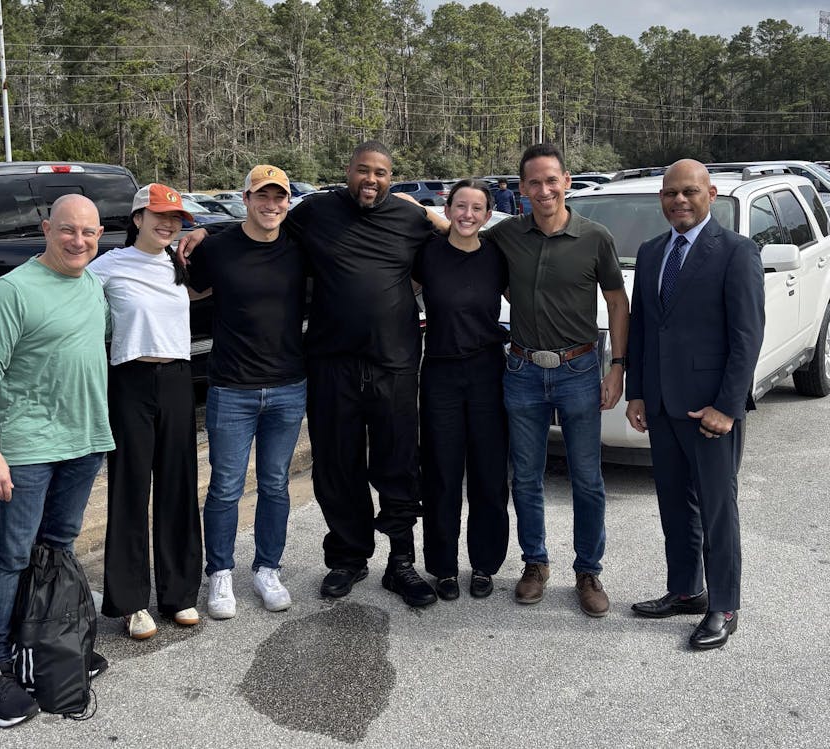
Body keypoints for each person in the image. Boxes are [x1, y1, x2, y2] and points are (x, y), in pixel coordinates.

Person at [179, 142, 442, 608]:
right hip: (330, 364)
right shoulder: (317, 211)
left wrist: (434, 214)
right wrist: (204, 231)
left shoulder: (409, 221)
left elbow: (447, 253)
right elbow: (262, 223)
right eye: (363, 170)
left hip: (394, 364)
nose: (371, 179)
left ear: (390, 176)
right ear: (348, 170)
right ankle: (348, 559)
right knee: (337, 467)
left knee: (398, 464)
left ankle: (401, 562)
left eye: (381, 173)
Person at [0, 194, 114, 728]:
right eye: (68, 230)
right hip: (25, 450)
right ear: (47, 228)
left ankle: (39, 644)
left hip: (84, 443)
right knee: (10, 555)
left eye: (90, 233)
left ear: (100, 235)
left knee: (56, 551)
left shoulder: (92, 282)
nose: (79, 241)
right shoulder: (10, 291)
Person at [484, 143, 629, 617]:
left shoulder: (595, 237)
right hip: (523, 371)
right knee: (525, 478)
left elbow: (616, 302)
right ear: (521, 189)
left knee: (587, 479)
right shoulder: (506, 234)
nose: (543, 190)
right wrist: (423, 213)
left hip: (579, 371)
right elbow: (463, 235)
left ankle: (588, 571)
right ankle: (535, 564)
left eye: (551, 180)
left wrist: (617, 366)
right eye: (533, 183)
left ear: (567, 181)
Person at [625, 159, 764, 650]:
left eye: (689, 192)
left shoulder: (736, 253)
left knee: (717, 508)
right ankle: (686, 588)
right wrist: (637, 392)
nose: (678, 201)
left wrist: (727, 407)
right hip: (662, 406)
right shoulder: (650, 252)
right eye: (670, 194)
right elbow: (643, 328)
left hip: (711, 412)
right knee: (674, 506)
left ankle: (723, 604)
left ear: (712, 193)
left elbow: (747, 339)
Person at [186, 165, 307, 620]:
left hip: (288, 386)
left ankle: (267, 569)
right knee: (225, 486)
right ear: (246, 198)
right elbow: (189, 290)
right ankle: (219, 573)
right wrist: (196, 233)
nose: (271, 205)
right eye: (262, 196)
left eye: (279, 197)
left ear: (287, 203)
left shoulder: (300, 248)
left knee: (276, 484)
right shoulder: (217, 249)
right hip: (231, 388)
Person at [88, 184, 202, 640]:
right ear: (137, 218)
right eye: (159, 216)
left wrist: (206, 235)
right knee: (130, 488)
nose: (169, 225)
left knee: (179, 486)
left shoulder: (180, 263)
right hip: (130, 380)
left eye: (175, 219)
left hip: (177, 379)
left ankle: (179, 593)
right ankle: (131, 602)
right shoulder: (108, 266)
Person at [413, 179, 510, 601]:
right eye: (460, 206)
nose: (468, 215)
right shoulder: (426, 255)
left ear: (488, 215)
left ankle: (485, 564)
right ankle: (444, 567)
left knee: (489, 473)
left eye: (477, 208)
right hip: (440, 372)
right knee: (441, 472)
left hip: (489, 370)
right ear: (448, 208)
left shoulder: (498, 257)